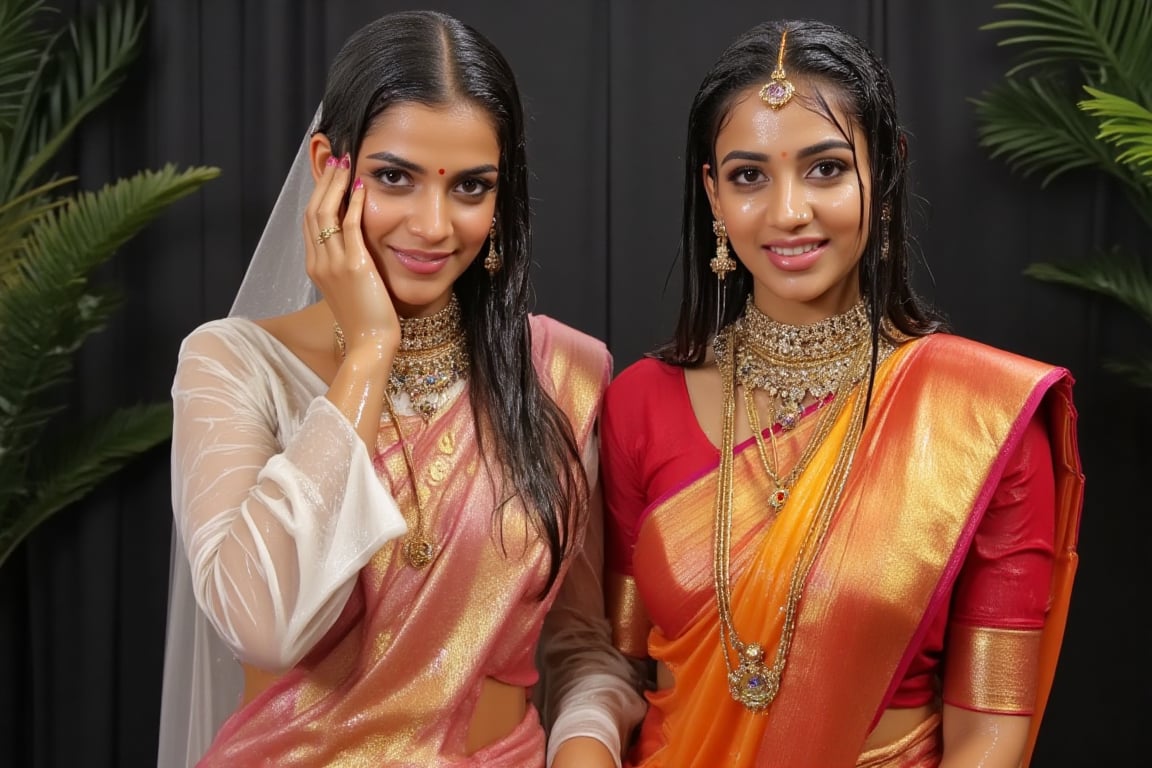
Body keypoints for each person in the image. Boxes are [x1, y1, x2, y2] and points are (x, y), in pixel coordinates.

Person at [157, 10, 644, 767]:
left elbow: (582, 645)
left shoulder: (564, 375)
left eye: (471, 187)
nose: (433, 225)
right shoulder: (234, 365)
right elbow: (265, 624)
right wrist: (370, 352)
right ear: (328, 168)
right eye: (394, 177)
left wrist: (587, 745)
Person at [599, 19, 1084, 768]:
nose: (789, 211)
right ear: (713, 195)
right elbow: (623, 668)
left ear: (883, 176)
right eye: (749, 175)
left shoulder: (980, 418)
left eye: (825, 169)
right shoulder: (639, 404)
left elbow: (991, 731)